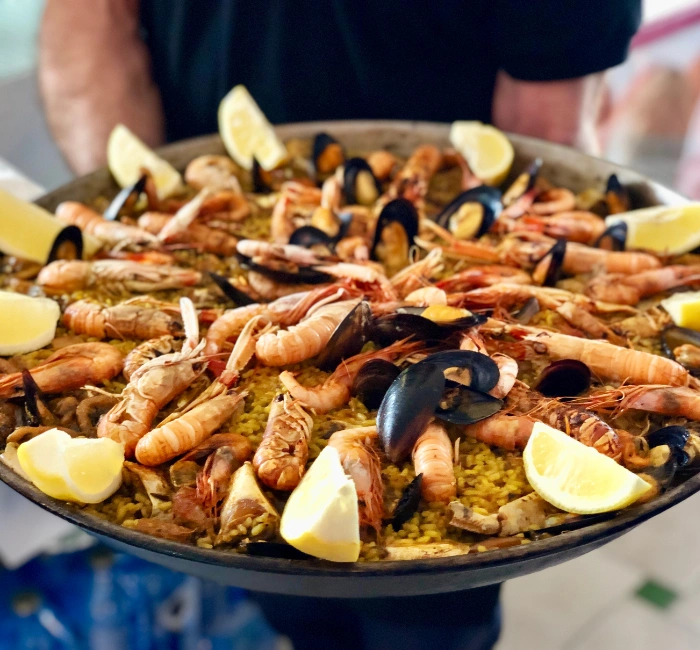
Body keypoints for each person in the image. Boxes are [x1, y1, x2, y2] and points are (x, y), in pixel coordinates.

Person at [37, 2, 642, 649]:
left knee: (427, 623)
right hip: (215, 211)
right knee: (298, 605)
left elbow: (540, 121)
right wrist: (140, 203)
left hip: (435, 208)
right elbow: (90, 19)